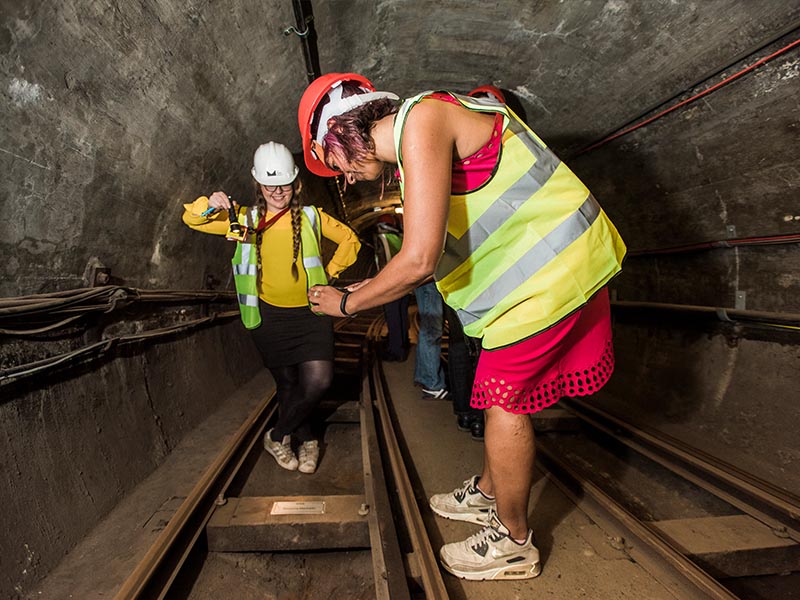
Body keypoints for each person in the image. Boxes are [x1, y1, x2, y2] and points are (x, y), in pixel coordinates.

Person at [297, 73, 626, 580]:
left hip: (551, 274)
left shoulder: (421, 121)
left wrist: (347, 303)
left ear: (340, 134)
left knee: (503, 403)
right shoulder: (416, 144)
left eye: (331, 162)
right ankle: (488, 493)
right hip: (541, 278)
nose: (340, 177)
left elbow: (419, 260)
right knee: (497, 395)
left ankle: (515, 543)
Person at [182, 141, 360, 474]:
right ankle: (307, 441)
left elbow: (351, 240)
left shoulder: (312, 217)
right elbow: (194, 220)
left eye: (284, 184)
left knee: (319, 381)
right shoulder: (244, 219)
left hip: (312, 315)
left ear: (296, 184)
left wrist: (330, 275)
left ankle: (278, 435)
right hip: (269, 317)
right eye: (269, 184)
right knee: (289, 385)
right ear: (258, 185)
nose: (277, 191)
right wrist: (210, 203)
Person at [373, 213, 410, 361]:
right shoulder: (401, 238)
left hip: (390, 285)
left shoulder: (383, 238)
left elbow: (385, 263)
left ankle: (396, 351)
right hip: (403, 284)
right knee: (401, 316)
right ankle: (402, 344)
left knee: (393, 317)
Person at [413, 281, 449, 399]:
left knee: (428, 330)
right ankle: (432, 384)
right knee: (432, 332)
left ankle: (423, 376)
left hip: (426, 283)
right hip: (430, 282)